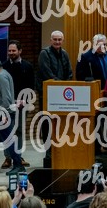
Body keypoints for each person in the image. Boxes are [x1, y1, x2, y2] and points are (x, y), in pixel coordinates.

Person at [36, 30, 72, 164]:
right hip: (48, 95)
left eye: (59, 39)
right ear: (51, 40)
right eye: (55, 39)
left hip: (62, 96)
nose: (57, 42)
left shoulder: (65, 54)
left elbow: (69, 72)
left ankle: (61, 151)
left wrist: (66, 85)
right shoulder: (44, 54)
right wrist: (61, 85)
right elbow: (47, 73)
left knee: (61, 123)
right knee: (47, 124)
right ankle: (49, 152)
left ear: (63, 40)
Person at [2, 40, 34, 169]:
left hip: (22, 105)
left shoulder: (28, 66)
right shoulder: (3, 66)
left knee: (19, 131)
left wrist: (25, 100)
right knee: (7, 131)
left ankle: (18, 156)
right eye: (9, 51)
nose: (11, 53)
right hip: (8, 105)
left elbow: (31, 86)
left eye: (13, 50)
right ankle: (8, 158)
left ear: (20, 51)